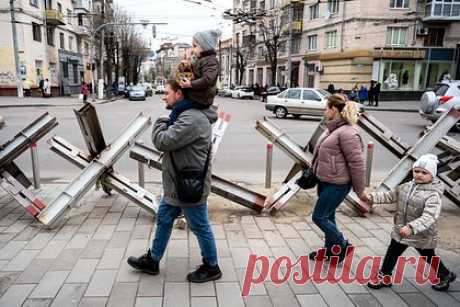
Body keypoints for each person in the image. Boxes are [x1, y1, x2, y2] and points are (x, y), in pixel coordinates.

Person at [127, 80, 222, 283]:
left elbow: (163, 141)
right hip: (176, 185)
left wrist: (162, 121)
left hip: (189, 186)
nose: (164, 96)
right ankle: (153, 260)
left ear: (179, 94)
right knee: (164, 218)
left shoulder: (192, 118)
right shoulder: (184, 114)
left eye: (167, 92)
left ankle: (212, 266)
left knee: (199, 226)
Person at [366, 154, 456, 291]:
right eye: (416, 171)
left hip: (421, 233)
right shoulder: (406, 186)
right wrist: (372, 197)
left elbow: (430, 216)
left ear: (432, 175)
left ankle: (445, 274)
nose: (419, 174)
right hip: (401, 230)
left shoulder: (433, 194)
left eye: (424, 173)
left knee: (428, 255)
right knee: (392, 252)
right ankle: (384, 276)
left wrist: (412, 227)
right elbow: (391, 195)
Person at [308, 94, 367, 262]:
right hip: (325, 181)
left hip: (338, 184)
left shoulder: (348, 132)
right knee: (329, 216)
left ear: (334, 110)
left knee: (319, 217)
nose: (324, 111)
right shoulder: (332, 128)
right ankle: (331, 252)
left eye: (326, 108)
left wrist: (360, 191)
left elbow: (357, 163)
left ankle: (342, 245)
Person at [179, 29, 221, 107]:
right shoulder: (199, 60)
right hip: (194, 97)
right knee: (177, 105)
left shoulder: (211, 61)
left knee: (178, 108)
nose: (192, 49)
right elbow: (189, 76)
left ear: (205, 47)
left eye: (195, 46)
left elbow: (208, 80)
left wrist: (190, 84)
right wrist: (185, 65)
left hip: (201, 99)